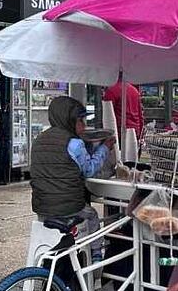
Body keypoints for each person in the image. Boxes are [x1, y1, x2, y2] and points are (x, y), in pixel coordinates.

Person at [27, 96, 115, 266]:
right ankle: (96, 255)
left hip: (42, 208)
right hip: (68, 209)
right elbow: (89, 169)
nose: (84, 127)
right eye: (81, 122)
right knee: (92, 215)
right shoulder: (74, 143)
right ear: (68, 121)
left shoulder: (38, 140)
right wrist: (105, 148)